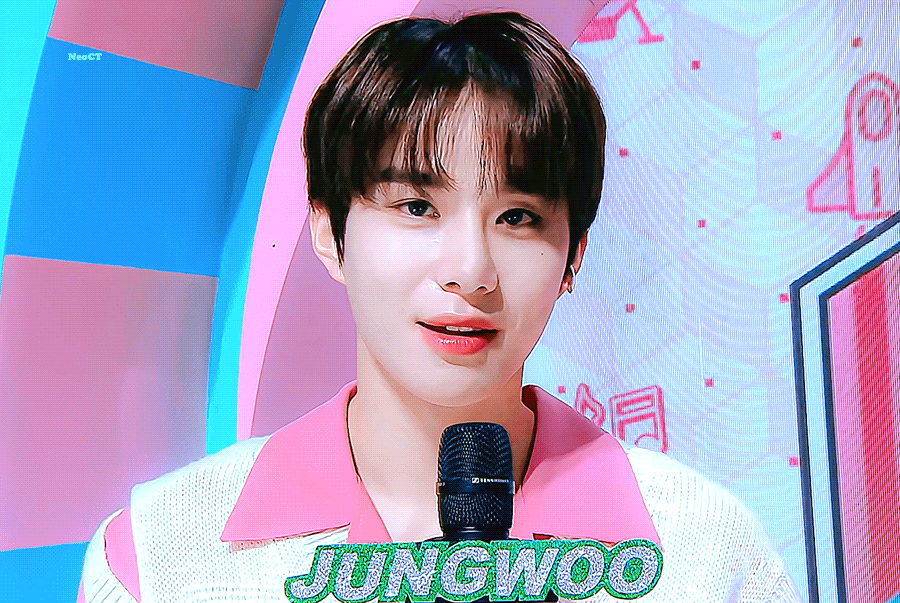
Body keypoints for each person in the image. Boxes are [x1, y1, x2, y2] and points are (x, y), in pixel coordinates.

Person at [79, 12, 801, 602]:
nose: (469, 271)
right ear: (329, 231)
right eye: (417, 207)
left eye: (518, 217)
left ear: (573, 254)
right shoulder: (165, 554)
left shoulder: (703, 554)